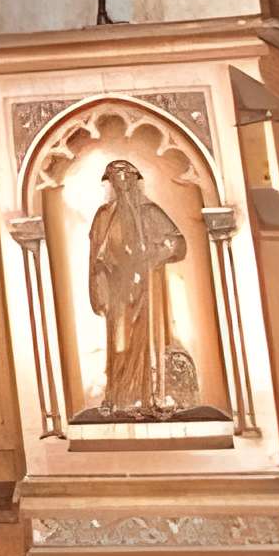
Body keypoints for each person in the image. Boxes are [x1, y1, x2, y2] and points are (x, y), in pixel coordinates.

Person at [84, 157, 198, 418]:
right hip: (118, 291)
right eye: (115, 179)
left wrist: (155, 255)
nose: (121, 184)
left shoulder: (149, 212)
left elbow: (177, 245)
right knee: (119, 344)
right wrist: (98, 288)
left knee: (145, 341)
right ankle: (119, 396)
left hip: (146, 289)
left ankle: (148, 396)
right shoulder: (103, 216)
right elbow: (95, 258)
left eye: (126, 178)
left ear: (135, 182)